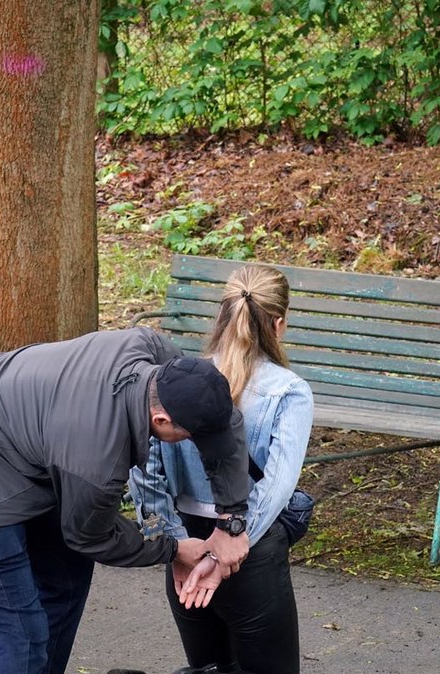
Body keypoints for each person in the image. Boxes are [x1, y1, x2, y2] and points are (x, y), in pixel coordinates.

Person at [0, 327, 255, 674]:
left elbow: (225, 422)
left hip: (22, 444)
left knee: (66, 581)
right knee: (20, 630)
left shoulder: (155, 355)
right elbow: (90, 534)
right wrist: (174, 549)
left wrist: (232, 521)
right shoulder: (96, 462)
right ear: (161, 420)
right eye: (191, 436)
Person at [128, 265, 314, 674]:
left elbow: (146, 470)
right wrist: (229, 549)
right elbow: (278, 487)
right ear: (279, 324)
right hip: (250, 552)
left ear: (222, 315)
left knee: (207, 669)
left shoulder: (177, 379)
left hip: (186, 549)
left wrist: (174, 544)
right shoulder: (288, 392)